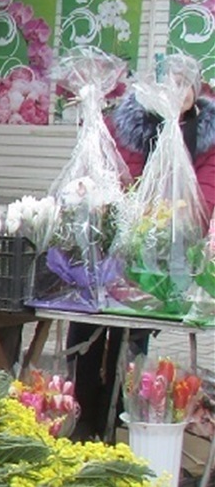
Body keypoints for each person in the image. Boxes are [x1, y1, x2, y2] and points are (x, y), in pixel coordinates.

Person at [68, 74, 214, 441]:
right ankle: (82, 415)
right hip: (111, 253)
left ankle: (117, 413)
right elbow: (110, 176)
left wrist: (164, 218)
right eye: (170, 83)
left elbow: (204, 201)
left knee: (131, 337)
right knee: (87, 325)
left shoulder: (206, 137)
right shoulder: (126, 126)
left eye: (185, 85)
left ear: (197, 94)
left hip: (164, 263)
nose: (175, 93)